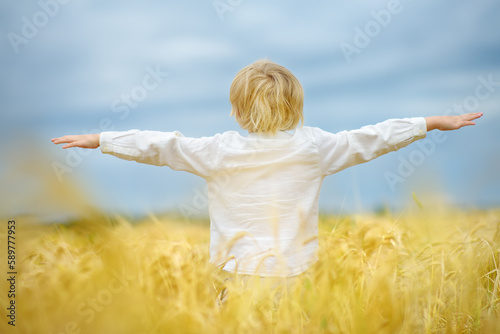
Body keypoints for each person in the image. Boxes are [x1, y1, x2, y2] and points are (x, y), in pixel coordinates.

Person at [52, 59, 482, 279]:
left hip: (234, 275)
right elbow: (372, 138)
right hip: (298, 274)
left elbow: (161, 146)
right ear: (296, 107)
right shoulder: (315, 147)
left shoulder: (217, 151)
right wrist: (428, 123)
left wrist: (102, 140)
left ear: (236, 111)